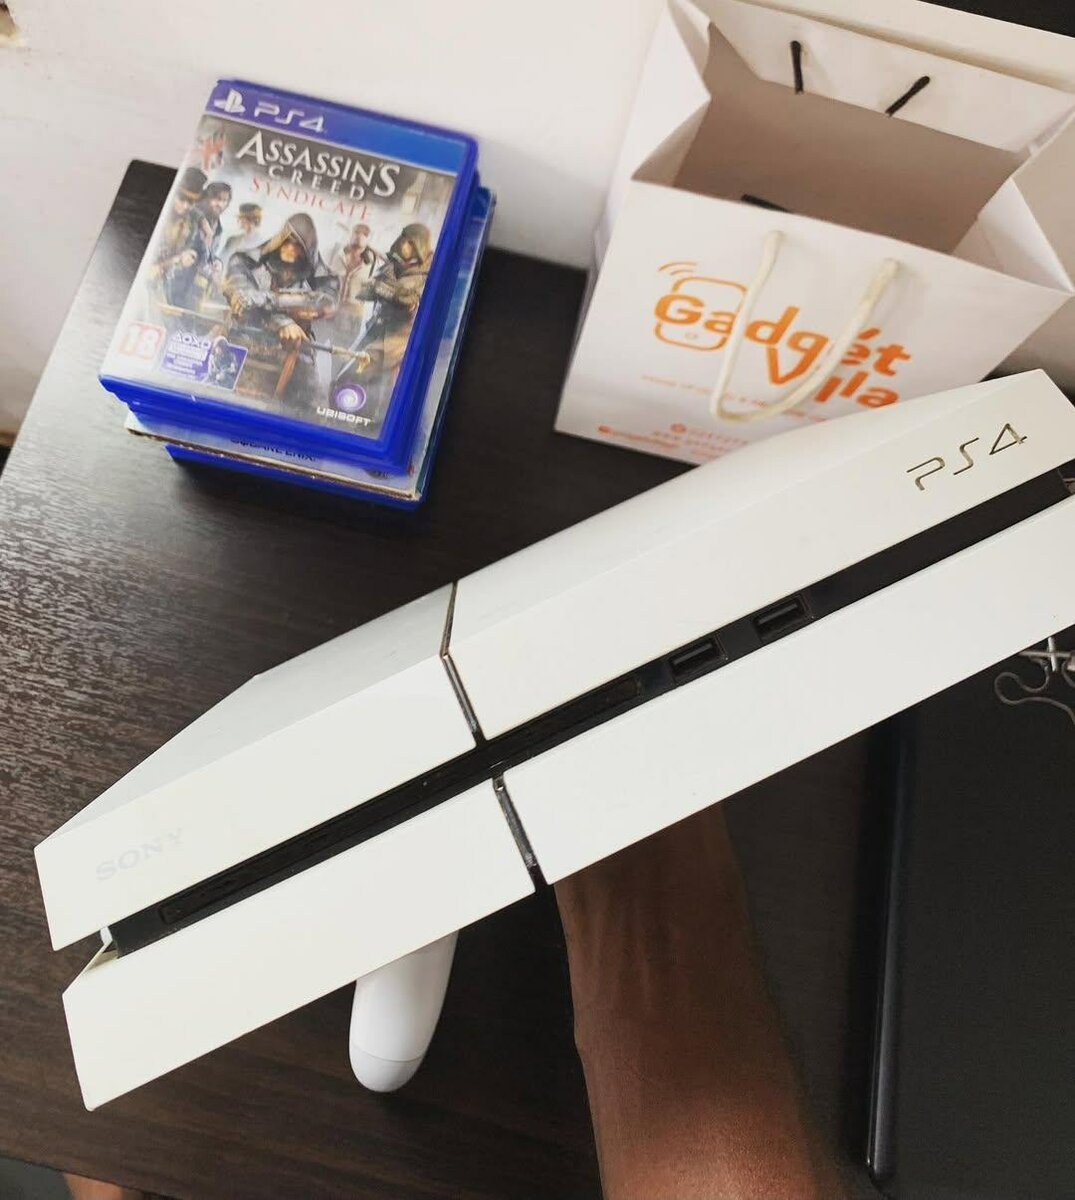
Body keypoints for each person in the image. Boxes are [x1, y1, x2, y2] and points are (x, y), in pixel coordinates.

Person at [223, 212, 340, 410]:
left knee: (309, 403)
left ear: (308, 249)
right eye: (288, 242)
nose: (291, 249)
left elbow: (325, 303)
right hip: (244, 336)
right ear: (280, 239)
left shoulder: (323, 277)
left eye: (299, 245)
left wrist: (269, 298)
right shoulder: (245, 261)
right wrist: (282, 322)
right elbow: (240, 298)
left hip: (295, 346)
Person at [330, 223, 432, 423]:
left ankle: (367, 422)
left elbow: (406, 300)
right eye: (404, 240)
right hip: (374, 329)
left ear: (419, 245)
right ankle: (344, 417)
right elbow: (366, 292)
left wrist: (385, 288)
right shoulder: (391, 266)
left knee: (368, 380)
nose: (405, 246)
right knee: (344, 370)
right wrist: (386, 288)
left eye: (411, 243)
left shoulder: (425, 274)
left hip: (397, 339)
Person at [146, 166, 205, 308]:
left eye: (191, 202)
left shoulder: (188, 225)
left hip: (161, 290)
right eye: (182, 199)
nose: (185, 206)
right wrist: (177, 260)